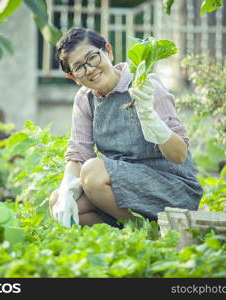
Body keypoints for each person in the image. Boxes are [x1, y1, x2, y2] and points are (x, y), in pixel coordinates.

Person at [49, 27, 203, 228]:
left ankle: (150, 231)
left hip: (171, 187)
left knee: (93, 172)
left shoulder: (145, 86)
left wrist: (151, 120)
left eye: (93, 58)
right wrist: (65, 191)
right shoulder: (85, 99)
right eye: (79, 67)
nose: (90, 69)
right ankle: (132, 233)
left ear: (108, 51)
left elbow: (179, 154)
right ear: (74, 77)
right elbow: (78, 155)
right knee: (59, 202)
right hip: (124, 189)